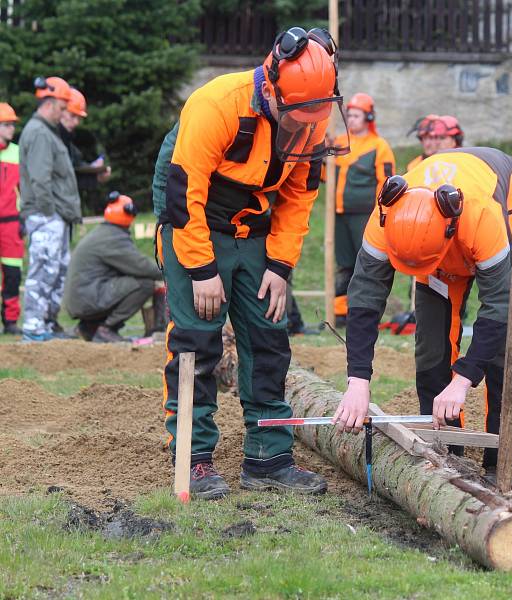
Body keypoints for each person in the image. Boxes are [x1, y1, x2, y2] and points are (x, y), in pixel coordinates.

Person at [157, 26, 348, 499]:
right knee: (197, 339)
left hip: (254, 225)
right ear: (271, 88)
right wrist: (202, 270)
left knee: (268, 337)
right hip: (195, 217)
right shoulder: (217, 104)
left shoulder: (312, 113)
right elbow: (184, 195)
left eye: (313, 115)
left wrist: (280, 266)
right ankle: (194, 458)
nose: (303, 124)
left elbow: (300, 197)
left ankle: (268, 458)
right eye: (295, 114)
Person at [332, 147, 512, 486]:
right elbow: (364, 299)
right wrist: (358, 381)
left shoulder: (481, 218)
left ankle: (503, 465)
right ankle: (446, 453)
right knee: (432, 346)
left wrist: (461, 382)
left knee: (506, 349)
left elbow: (500, 307)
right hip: (444, 248)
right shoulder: (386, 214)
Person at [19, 76, 82, 342]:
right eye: (62, 105)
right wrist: (47, 213)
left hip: (54, 216)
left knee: (53, 271)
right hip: (46, 215)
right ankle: (33, 327)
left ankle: (44, 323)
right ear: (51, 102)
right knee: (43, 270)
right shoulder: (39, 132)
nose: (64, 111)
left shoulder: (46, 131)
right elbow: (40, 178)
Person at [63, 191, 164, 343]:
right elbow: (141, 266)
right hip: (87, 298)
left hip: (82, 297)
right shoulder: (113, 238)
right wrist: (169, 273)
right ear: (130, 213)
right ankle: (106, 329)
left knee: (125, 283)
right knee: (145, 285)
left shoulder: (105, 232)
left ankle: (89, 327)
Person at [332, 92, 395, 325]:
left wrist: (380, 213)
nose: (352, 119)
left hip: (365, 215)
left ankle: (367, 312)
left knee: (368, 263)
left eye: (356, 115)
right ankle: (340, 313)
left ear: (368, 117)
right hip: (339, 214)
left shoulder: (379, 147)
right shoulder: (338, 142)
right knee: (344, 263)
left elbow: (386, 183)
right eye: (349, 115)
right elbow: (325, 175)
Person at [59, 88, 111, 190]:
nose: (76, 122)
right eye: (73, 116)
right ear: (60, 109)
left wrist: (95, 173)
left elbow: (71, 175)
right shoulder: (48, 138)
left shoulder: (68, 142)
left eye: (79, 118)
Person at [0, 102, 23, 335]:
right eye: (6, 125)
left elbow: (25, 189)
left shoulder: (18, 152)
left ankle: (10, 321)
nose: (11, 130)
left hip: (11, 222)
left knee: (13, 274)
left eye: (12, 126)